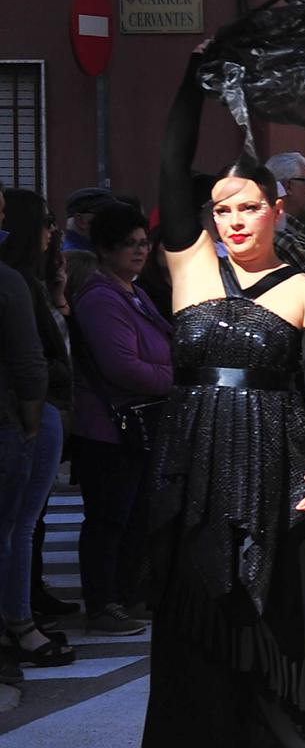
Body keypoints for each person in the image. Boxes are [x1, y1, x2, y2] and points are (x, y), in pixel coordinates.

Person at [139, 52, 305, 748]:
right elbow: (169, 160)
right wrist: (192, 79)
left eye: (248, 206)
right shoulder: (188, 265)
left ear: (276, 212)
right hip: (193, 461)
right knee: (201, 609)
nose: (232, 219)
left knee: (271, 610)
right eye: (222, 207)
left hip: (274, 457)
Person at [68, 202, 172, 637]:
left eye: (143, 243)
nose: (139, 251)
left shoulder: (132, 290)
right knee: (109, 519)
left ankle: (127, 594)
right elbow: (122, 366)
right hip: (107, 429)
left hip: (137, 425)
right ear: (105, 249)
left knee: (134, 516)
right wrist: (175, 379)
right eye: (128, 244)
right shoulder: (100, 297)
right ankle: (103, 603)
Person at [0, 190, 73, 671]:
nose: (53, 232)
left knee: (18, 527)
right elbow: (34, 362)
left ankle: (22, 619)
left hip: (34, 410)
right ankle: (20, 623)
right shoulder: (14, 281)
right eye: (47, 222)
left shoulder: (32, 281)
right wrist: (29, 420)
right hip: (27, 412)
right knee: (16, 528)